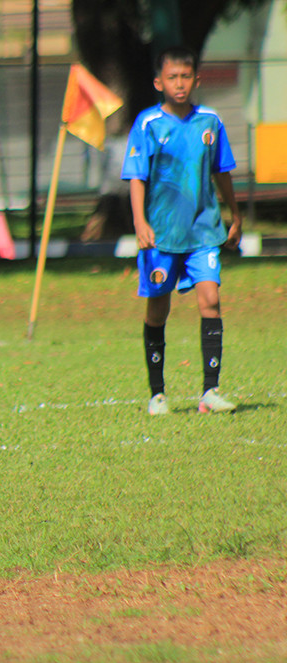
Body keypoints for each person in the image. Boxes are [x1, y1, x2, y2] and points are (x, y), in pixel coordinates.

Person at [121, 45, 242, 416]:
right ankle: (157, 394)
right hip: (161, 234)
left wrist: (233, 214)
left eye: (185, 76)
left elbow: (221, 171)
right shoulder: (147, 124)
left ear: (196, 79)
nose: (179, 84)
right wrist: (140, 222)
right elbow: (137, 177)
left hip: (203, 230)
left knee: (211, 299)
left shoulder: (210, 122)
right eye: (172, 77)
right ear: (159, 82)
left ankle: (210, 391)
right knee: (158, 309)